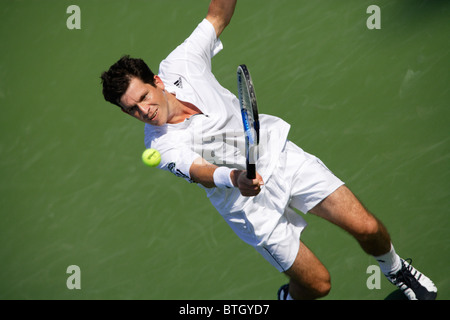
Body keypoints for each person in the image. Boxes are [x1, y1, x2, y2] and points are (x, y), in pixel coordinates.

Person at [100, 0, 437, 300]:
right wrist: (236, 179)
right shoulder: (160, 144)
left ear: (157, 81)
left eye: (143, 98)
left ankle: (396, 270)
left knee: (366, 228)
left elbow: (217, 14)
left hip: (279, 156)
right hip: (246, 206)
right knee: (318, 286)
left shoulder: (182, 63)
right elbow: (200, 172)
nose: (143, 111)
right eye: (131, 109)